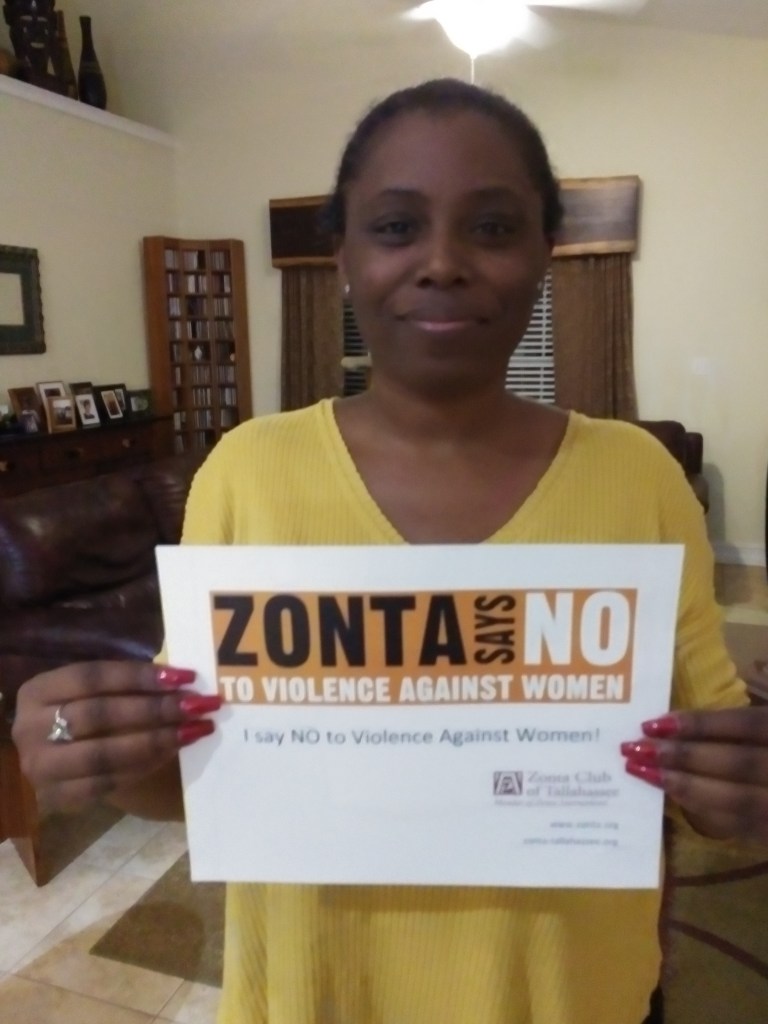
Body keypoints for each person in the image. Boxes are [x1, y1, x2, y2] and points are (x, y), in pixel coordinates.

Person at [12, 78, 768, 1024]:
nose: (442, 262)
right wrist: (92, 744)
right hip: (316, 995)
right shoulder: (248, 470)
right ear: (343, 257)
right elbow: (188, 779)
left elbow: (705, 784)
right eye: (397, 226)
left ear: (546, 254)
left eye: (493, 228)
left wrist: (743, 782)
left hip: (571, 996)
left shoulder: (638, 477)